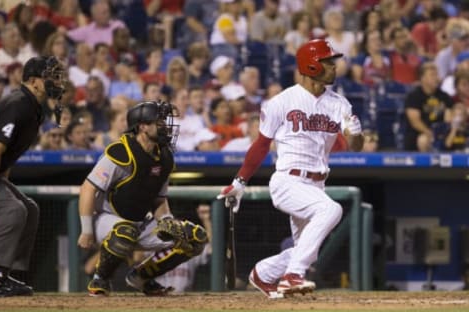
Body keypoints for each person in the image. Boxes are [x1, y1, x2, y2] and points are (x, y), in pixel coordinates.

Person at [217, 39, 364, 298]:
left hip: (317, 183)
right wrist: (240, 181)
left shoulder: (340, 104)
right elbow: (261, 145)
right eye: (328, 61)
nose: (334, 67)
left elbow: (353, 146)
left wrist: (355, 134)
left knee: (308, 248)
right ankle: (292, 276)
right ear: (311, 65)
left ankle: (263, 273)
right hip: (288, 180)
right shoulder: (281, 102)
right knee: (331, 209)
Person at [77, 100, 208, 296]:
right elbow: (88, 188)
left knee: (194, 238)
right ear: (142, 127)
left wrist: (166, 221)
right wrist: (86, 230)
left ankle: (141, 277)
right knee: (125, 232)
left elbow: (159, 199)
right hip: (106, 218)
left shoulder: (164, 157)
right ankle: (100, 279)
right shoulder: (121, 152)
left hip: (140, 222)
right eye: (159, 122)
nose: (165, 126)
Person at [0, 55, 66, 296]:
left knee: (28, 207)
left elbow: (6, 158)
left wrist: (3, 187)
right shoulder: (18, 103)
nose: (57, 81)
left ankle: (3, 273)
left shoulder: (34, 108)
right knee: (14, 209)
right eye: (51, 76)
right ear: (33, 81)